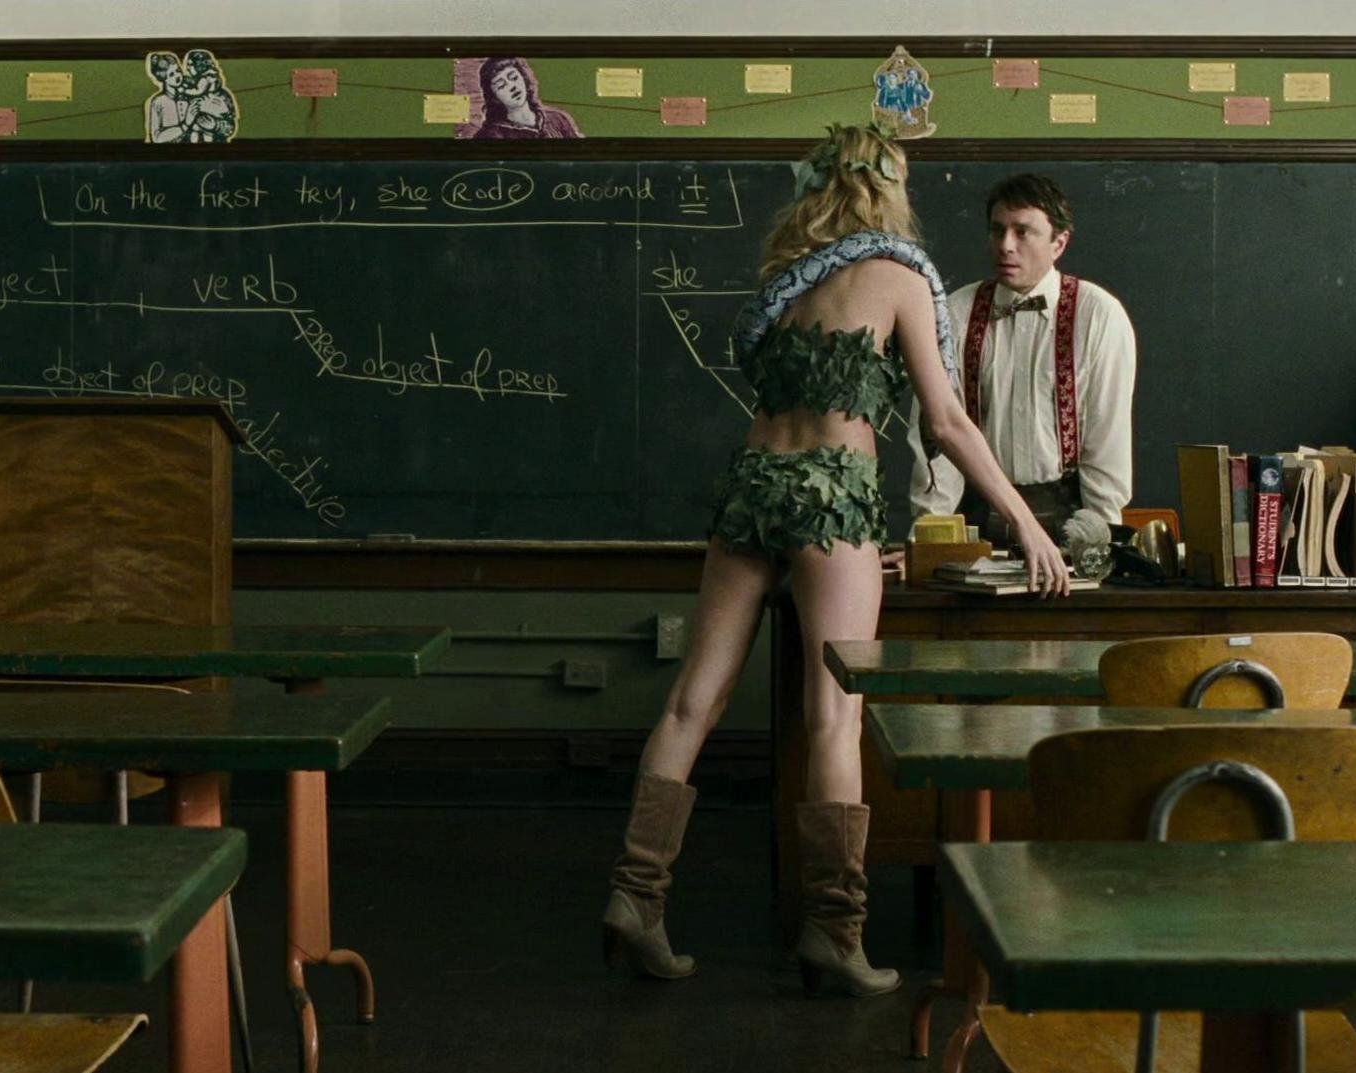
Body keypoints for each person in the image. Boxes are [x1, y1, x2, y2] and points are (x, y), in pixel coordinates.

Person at [601, 125, 1070, 997]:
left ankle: (636, 895)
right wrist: (1025, 524)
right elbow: (946, 421)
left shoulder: (787, 279)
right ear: (891, 189)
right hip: (832, 494)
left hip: (752, 485)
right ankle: (834, 928)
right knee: (833, 715)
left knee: (691, 701)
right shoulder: (897, 274)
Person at [908, 174, 1137, 543]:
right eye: (997, 231)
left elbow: (1107, 442)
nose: (1006, 246)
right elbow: (936, 439)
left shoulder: (1098, 314)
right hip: (975, 521)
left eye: (1022, 232)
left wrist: (1099, 543)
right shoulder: (955, 313)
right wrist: (929, 537)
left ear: (1059, 243)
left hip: (1069, 522)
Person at [469, 57, 583, 139]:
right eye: (501, 85)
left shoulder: (558, 119)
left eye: (514, 78)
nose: (512, 87)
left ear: (524, 79)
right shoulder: (490, 135)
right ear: (494, 97)